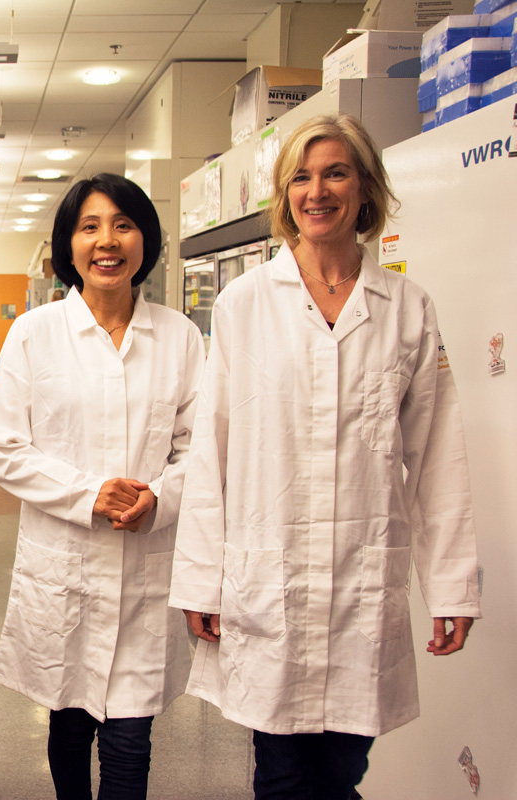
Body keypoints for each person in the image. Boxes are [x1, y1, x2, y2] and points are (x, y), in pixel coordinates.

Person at [169, 113, 482, 800]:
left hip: (359, 584)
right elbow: (210, 452)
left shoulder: (406, 309)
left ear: (365, 189)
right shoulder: (245, 305)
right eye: (301, 178)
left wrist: (452, 585)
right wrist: (200, 579)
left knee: (343, 772)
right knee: (280, 774)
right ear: (284, 196)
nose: (318, 191)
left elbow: (437, 462)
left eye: (336, 172)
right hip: (269, 582)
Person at [0, 173, 205, 800]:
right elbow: (2, 446)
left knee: (132, 740)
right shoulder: (34, 333)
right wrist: (88, 495)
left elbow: (201, 450)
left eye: (124, 225)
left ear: (145, 241)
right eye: (90, 227)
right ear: (69, 247)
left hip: (143, 569)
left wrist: (159, 497)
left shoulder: (181, 338)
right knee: (70, 718)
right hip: (65, 565)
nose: (108, 241)